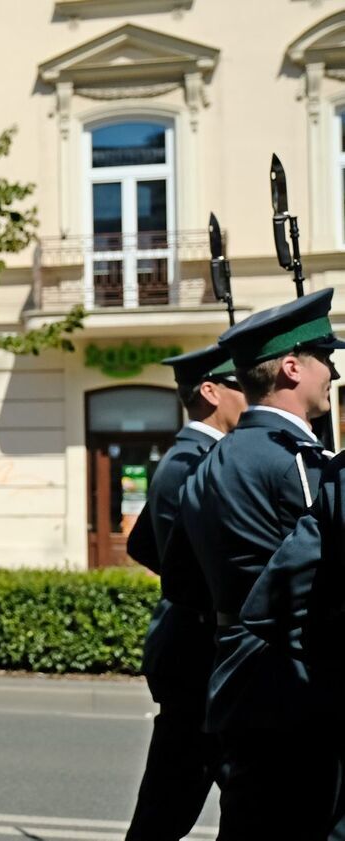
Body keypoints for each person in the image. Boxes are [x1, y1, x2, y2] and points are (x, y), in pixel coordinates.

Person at [176, 289, 345, 838]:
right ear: (293, 367)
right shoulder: (295, 461)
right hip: (294, 683)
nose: (334, 373)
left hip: (231, 677)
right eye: (325, 359)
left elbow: (180, 579)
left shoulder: (208, 462)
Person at [125, 344, 245, 841]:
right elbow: (193, 567)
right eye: (240, 385)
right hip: (195, 658)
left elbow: (140, 543)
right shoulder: (192, 463)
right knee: (168, 805)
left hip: (197, 655)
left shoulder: (195, 458)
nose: (249, 396)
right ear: (211, 392)